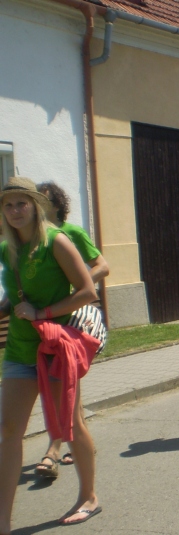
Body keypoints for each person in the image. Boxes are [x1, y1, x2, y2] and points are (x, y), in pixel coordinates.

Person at [0, 177, 101, 530]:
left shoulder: (56, 241)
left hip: (54, 348)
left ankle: (89, 496)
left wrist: (42, 314)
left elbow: (88, 291)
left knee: (70, 425)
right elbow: (17, 294)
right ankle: (3, 519)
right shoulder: (6, 249)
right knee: (9, 429)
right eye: (8, 205)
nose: (14, 211)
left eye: (21, 203)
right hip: (19, 350)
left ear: (36, 206)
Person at [31, 183, 110, 479]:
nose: (38, 206)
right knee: (67, 387)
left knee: (62, 382)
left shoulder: (71, 233)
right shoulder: (32, 240)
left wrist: (80, 284)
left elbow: (103, 266)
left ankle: (56, 449)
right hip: (44, 321)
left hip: (73, 319)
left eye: (44, 201)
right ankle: (77, 442)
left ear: (56, 205)